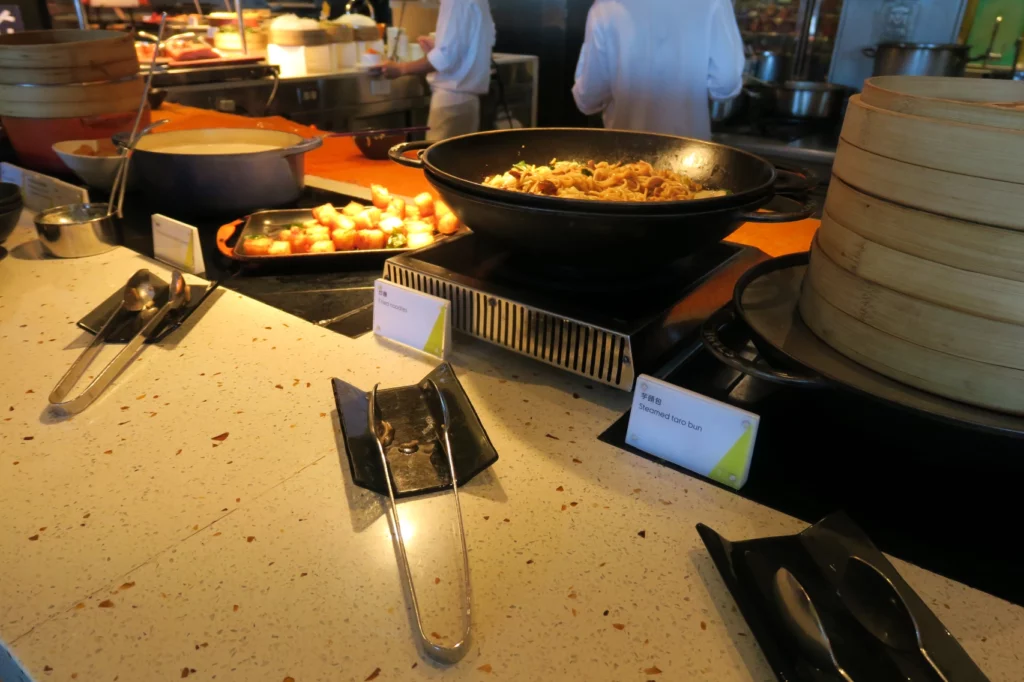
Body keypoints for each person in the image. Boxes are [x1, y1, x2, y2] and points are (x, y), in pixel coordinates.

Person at [571, 0, 745, 140]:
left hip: (625, 152)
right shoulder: (714, 3)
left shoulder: (604, 7)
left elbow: (588, 98)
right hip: (691, 154)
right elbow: (726, 83)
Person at [375, 0, 496, 140]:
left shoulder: (454, 2)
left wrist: (400, 69)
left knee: (437, 160)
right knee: (458, 159)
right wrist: (437, 48)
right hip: (467, 103)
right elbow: (464, 48)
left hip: (451, 103)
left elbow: (444, 58)